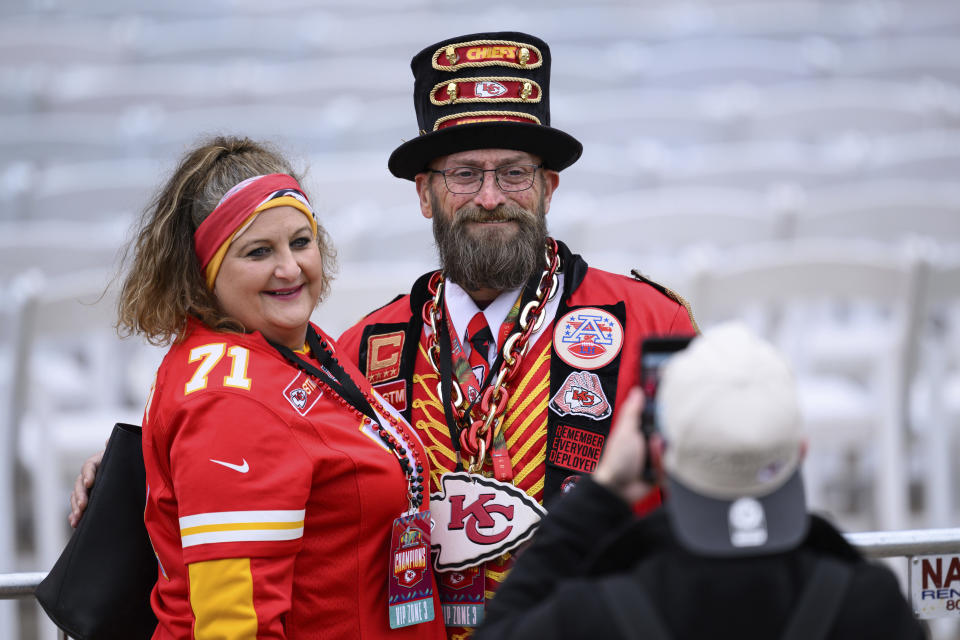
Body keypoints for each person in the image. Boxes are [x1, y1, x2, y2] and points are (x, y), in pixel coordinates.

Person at [71, 31, 697, 638]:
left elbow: (706, 512)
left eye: (513, 172)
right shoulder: (359, 353)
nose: (489, 197)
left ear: (548, 188)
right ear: (425, 193)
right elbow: (237, 461)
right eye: (462, 174)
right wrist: (137, 483)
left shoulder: (652, 326)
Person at [100, 136, 446, 639]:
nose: (290, 268)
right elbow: (234, 627)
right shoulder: (229, 401)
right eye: (258, 252)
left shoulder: (291, 346)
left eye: (300, 242)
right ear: (205, 269)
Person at [472, 323, 925, 640]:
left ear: (658, 454)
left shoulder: (594, 615)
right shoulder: (870, 604)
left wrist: (603, 492)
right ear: (800, 451)